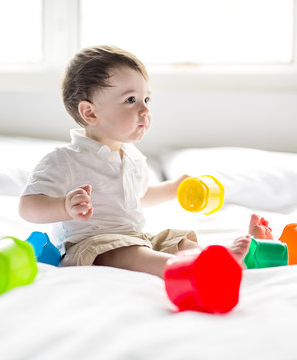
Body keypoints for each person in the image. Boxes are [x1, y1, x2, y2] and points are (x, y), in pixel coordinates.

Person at [19, 45, 273, 278]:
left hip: (136, 237)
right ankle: (192, 268)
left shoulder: (132, 157)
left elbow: (140, 196)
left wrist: (171, 189)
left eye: (146, 100)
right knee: (126, 253)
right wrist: (64, 207)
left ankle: (218, 258)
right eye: (130, 100)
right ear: (90, 112)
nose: (144, 110)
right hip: (90, 244)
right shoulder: (65, 160)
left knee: (177, 239)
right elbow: (28, 207)